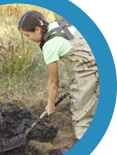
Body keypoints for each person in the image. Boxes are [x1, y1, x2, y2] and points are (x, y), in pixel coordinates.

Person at [18, 10, 99, 140]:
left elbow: (53, 81)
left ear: (38, 29)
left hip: (89, 71)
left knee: (81, 116)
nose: (28, 39)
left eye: (27, 35)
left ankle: (84, 140)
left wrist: (50, 105)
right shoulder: (59, 24)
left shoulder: (49, 46)